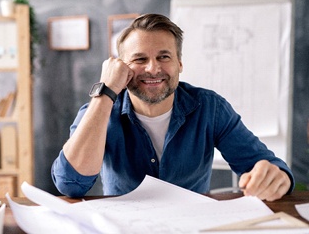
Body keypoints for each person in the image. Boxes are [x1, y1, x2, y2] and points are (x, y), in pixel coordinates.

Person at [51, 13, 294, 201]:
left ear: (179, 63)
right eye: (140, 59)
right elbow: (71, 184)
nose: (153, 69)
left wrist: (276, 178)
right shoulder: (98, 110)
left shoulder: (210, 108)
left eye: (164, 57)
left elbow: (264, 166)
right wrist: (106, 91)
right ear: (120, 68)